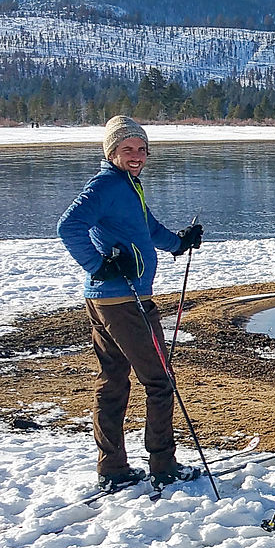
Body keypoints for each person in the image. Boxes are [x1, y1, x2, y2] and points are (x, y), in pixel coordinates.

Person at [58, 115, 205, 492]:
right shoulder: (106, 185)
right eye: (127, 149)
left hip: (107, 300)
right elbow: (68, 227)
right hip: (122, 300)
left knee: (112, 382)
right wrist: (99, 265)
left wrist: (179, 243)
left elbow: (147, 229)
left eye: (141, 149)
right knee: (159, 381)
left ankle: (113, 468)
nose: (136, 155)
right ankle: (163, 465)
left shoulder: (128, 185)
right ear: (112, 152)